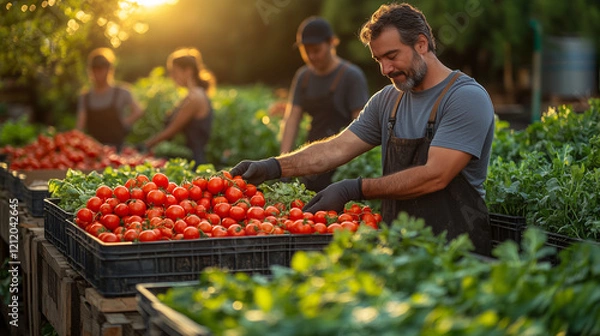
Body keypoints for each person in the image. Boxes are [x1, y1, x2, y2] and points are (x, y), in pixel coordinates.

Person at [230, 3, 495, 256]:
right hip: (400, 246)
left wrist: (356, 188)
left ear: (421, 44)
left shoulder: (464, 98)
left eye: (392, 56)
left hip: (456, 253)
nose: (385, 69)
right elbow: (336, 148)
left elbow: (435, 175)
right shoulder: (388, 101)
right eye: (378, 59)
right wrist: (274, 167)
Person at [279, 16, 370, 192]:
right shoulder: (303, 77)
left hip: (342, 163)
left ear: (332, 43)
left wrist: (350, 168)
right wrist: (283, 164)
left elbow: (362, 125)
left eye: (316, 50)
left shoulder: (351, 76)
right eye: (306, 51)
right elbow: (292, 120)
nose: (311, 56)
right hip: (311, 158)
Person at [144, 47, 215, 166]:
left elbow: (171, 130)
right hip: (188, 158)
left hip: (192, 162)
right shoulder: (192, 95)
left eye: (174, 72)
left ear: (188, 71)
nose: (171, 77)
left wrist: (146, 145)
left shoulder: (195, 98)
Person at [76, 48, 144, 150]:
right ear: (90, 71)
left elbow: (138, 111)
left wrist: (123, 123)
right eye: (95, 70)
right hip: (93, 150)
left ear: (109, 70)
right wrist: (75, 141)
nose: (98, 73)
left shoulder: (122, 92)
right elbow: (80, 125)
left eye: (101, 69)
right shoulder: (85, 97)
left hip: (117, 149)